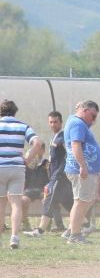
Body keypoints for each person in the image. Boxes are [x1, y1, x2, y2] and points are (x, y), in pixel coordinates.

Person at [0, 100, 43, 249]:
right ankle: (14, 237)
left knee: (1, 204)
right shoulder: (23, 126)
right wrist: (27, 159)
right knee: (16, 204)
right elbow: (37, 143)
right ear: (14, 111)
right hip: (17, 168)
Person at [25, 112, 74, 237]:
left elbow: (69, 154)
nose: (53, 124)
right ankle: (85, 224)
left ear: (61, 122)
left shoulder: (63, 136)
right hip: (57, 176)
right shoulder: (55, 137)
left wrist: (60, 171)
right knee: (68, 203)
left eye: (55, 122)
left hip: (59, 176)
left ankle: (40, 230)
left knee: (48, 199)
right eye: (51, 122)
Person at [63, 100, 100, 244]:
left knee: (83, 201)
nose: (94, 120)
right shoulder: (78, 124)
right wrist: (83, 166)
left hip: (82, 169)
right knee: (81, 202)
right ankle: (74, 235)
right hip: (81, 170)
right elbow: (75, 144)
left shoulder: (76, 122)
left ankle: (71, 230)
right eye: (92, 116)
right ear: (85, 111)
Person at [21, 146, 49, 231]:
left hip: (42, 189)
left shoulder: (45, 162)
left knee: (46, 201)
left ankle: (45, 225)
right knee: (24, 201)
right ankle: (25, 223)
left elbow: (50, 176)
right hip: (29, 189)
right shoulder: (27, 163)